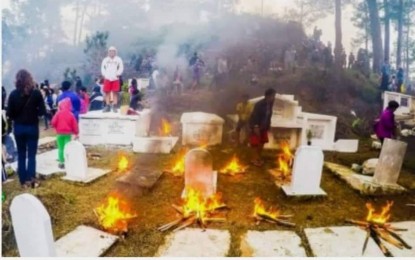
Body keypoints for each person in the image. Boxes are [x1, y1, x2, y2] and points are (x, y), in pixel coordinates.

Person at [6, 69, 46, 188]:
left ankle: (23, 181)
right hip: (32, 127)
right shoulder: (36, 93)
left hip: (19, 128)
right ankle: (31, 178)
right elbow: (42, 112)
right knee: (32, 155)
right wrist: (34, 112)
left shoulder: (13, 94)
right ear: (30, 79)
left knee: (21, 154)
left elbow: (9, 114)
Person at [249, 88, 276, 167]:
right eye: (273, 96)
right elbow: (255, 116)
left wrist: (268, 125)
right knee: (255, 143)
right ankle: (254, 159)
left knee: (262, 142)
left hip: (264, 126)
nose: (274, 97)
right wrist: (255, 127)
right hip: (256, 126)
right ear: (268, 96)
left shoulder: (270, 104)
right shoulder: (259, 104)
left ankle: (258, 157)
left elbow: (268, 115)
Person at [51, 98, 79, 169]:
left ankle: (61, 163)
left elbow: (53, 122)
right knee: (67, 148)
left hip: (59, 134)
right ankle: (68, 161)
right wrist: (76, 133)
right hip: (67, 134)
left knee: (61, 148)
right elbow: (74, 125)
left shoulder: (58, 114)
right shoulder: (71, 114)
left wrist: (55, 127)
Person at [101, 46, 124, 112]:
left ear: (115, 52)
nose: (112, 53)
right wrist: (105, 75)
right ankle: (107, 106)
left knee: (115, 92)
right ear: (108, 52)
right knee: (107, 92)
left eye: (113, 51)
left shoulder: (118, 59)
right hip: (107, 78)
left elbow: (121, 67)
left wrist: (118, 73)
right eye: (110, 51)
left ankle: (114, 106)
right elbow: (103, 68)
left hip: (115, 78)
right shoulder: (105, 60)